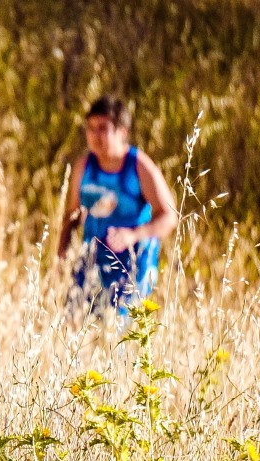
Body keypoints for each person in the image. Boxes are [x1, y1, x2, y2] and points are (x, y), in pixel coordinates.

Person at [57, 96, 178, 316]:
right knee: (74, 322)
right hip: (93, 260)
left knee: (115, 334)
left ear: (122, 131)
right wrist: (61, 255)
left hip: (133, 265)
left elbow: (169, 217)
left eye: (103, 128)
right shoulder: (84, 167)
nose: (95, 136)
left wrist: (133, 235)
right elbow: (72, 215)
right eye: (91, 128)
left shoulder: (139, 167)